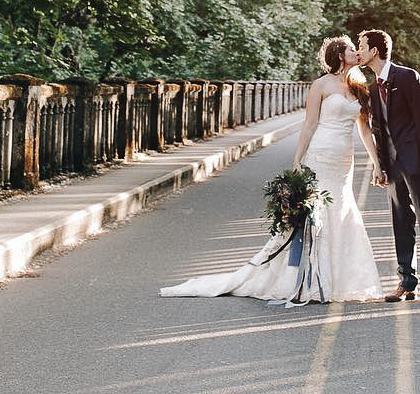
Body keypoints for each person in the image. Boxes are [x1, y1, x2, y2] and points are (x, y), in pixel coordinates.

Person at [159, 36, 384, 306]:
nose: (355, 52)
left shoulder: (358, 84)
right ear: (339, 55)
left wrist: (376, 162)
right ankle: (304, 279)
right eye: (350, 49)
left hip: (344, 161)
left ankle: (338, 281)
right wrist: (298, 158)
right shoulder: (321, 85)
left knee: (342, 212)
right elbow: (310, 124)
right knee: (317, 215)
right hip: (321, 155)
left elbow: (364, 127)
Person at [358, 28, 420, 306]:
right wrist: (379, 166)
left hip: (418, 162)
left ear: (375, 50)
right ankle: (407, 282)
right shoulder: (372, 88)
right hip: (393, 165)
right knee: (401, 223)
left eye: (361, 46)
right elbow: (377, 129)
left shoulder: (408, 77)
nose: (358, 51)